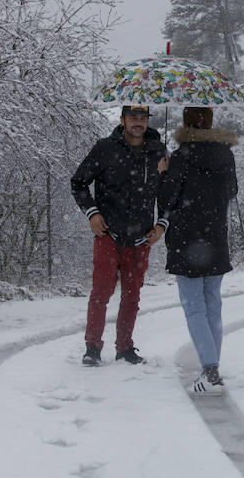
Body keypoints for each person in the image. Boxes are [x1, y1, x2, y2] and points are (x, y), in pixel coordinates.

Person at [71, 105, 168, 366]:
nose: (138, 123)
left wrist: (162, 225)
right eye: (133, 118)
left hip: (141, 239)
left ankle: (125, 347)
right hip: (108, 235)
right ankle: (92, 347)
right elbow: (78, 182)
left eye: (143, 118)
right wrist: (92, 213)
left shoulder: (158, 153)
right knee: (101, 293)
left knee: (132, 296)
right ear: (122, 119)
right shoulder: (105, 149)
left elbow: (169, 193)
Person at [159, 106, 238, 394]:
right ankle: (212, 366)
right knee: (213, 306)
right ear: (211, 121)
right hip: (216, 237)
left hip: (186, 240)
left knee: (194, 307)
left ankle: (210, 371)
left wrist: (165, 173)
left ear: (185, 123)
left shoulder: (181, 157)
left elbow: (169, 198)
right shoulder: (225, 154)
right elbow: (232, 191)